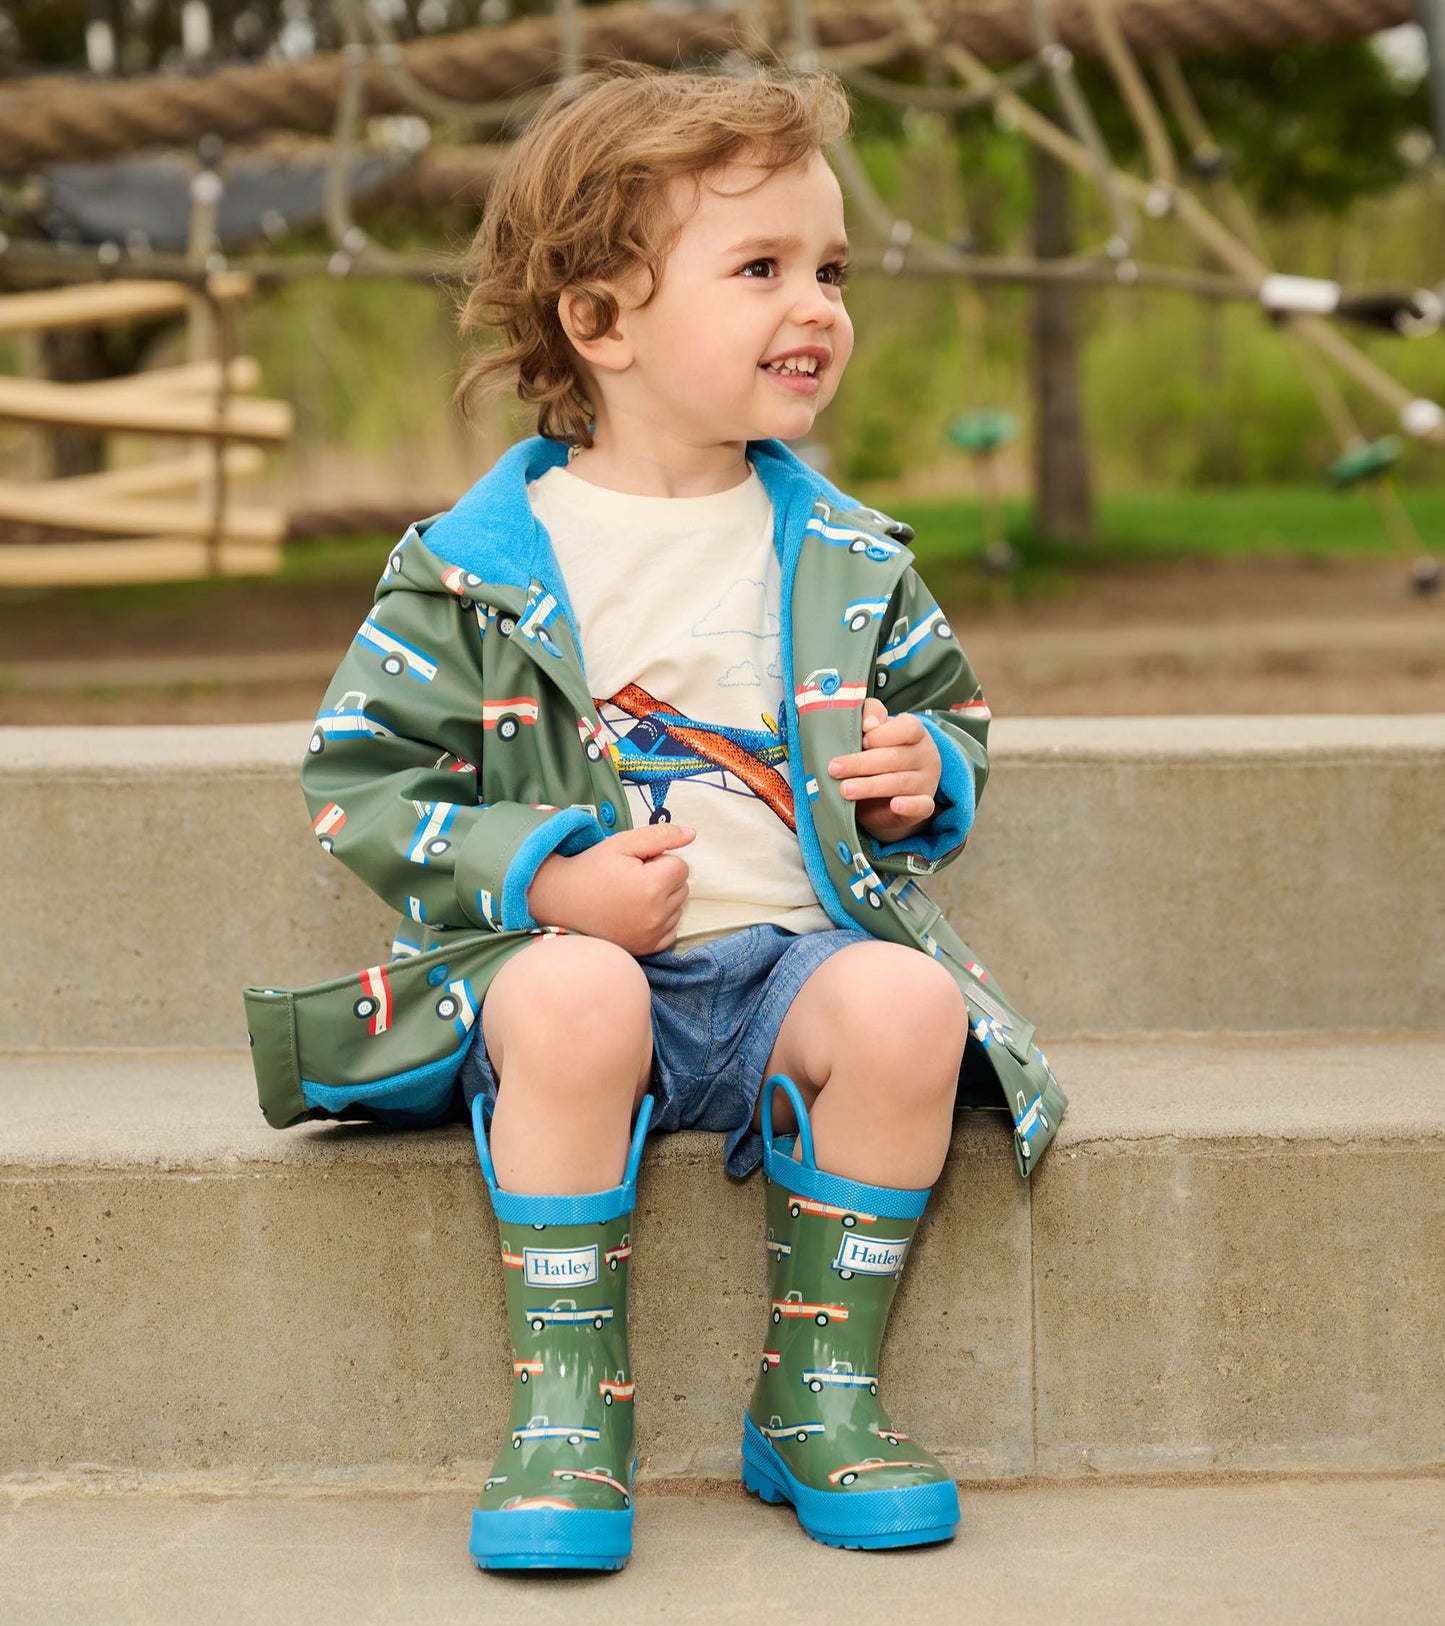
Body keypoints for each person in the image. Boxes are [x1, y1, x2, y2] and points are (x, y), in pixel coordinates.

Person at [244, 64, 1066, 1576]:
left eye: (829, 269)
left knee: (902, 1003)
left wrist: (921, 769)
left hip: (780, 973)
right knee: (567, 997)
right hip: (572, 972)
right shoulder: (473, 564)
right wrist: (548, 879)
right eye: (758, 270)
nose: (813, 303)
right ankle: (568, 1403)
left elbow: (950, 716)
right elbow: (358, 776)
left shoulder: (849, 553)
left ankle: (817, 1389)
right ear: (602, 323)